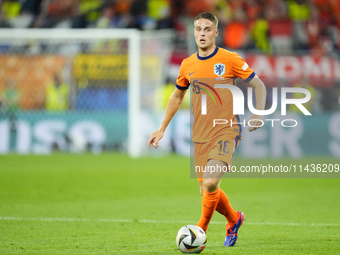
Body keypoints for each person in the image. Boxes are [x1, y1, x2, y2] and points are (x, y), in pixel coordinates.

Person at [148, 12, 266, 247]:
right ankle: (234, 219)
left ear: (215, 32)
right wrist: (161, 128)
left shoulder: (230, 59)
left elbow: (259, 85)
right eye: (198, 29)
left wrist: (259, 113)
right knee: (206, 192)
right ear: (194, 32)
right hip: (200, 135)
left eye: (207, 29)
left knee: (211, 183)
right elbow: (177, 95)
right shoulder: (187, 64)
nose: (202, 33)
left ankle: (198, 231)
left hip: (226, 129)